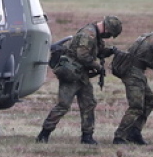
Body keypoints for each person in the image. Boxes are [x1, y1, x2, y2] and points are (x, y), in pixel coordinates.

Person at [37, 15, 122, 145]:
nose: (108, 37)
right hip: (71, 75)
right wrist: (97, 67)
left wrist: (109, 51)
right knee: (63, 105)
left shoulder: (96, 36)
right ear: (106, 28)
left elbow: (96, 51)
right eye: (109, 34)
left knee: (88, 104)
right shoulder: (88, 34)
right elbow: (82, 55)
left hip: (82, 75)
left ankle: (87, 137)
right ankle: (44, 134)